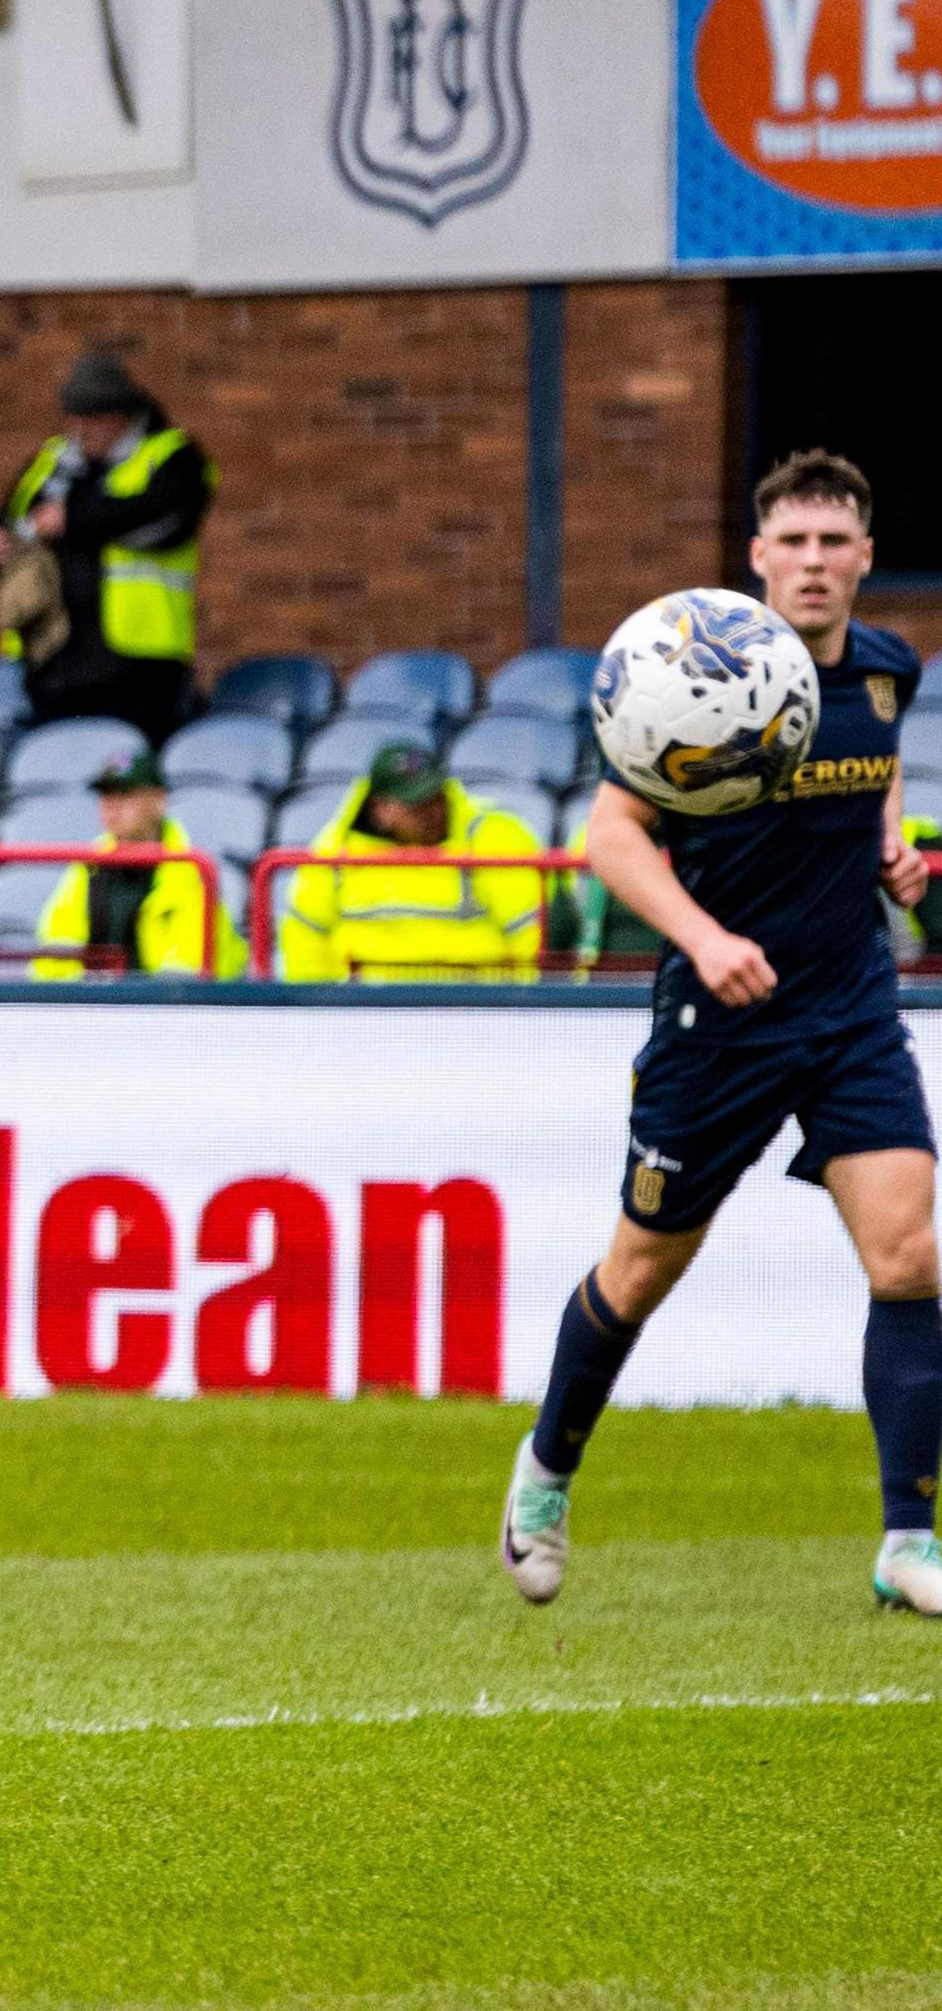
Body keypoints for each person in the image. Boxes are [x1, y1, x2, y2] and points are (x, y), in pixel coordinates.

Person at [506, 450, 942, 1616]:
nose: (813, 562)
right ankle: (546, 1468)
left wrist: (894, 853)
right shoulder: (696, 674)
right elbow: (611, 839)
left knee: (909, 1254)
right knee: (643, 1266)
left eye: (834, 542)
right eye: (791, 542)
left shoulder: (891, 670)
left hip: (850, 1005)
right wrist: (703, 937)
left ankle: (909, 1537)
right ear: (756, 557)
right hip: (719, 1023)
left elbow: (874, 784)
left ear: (863, 555)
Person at [0, 352, 213, 736]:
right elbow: (6, 519)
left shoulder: (171, 456)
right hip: (53, 670)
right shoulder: (50, 463)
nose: (82, 429)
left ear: (123, 415)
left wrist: (74, 519)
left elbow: (163, 521)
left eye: (94, 417)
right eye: (75, 416)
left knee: (127, 791)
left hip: (140, 675)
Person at [273, 744, 546, 983]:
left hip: (472, 1011)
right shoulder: (334, 849)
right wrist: (320, 1007)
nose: (433, 811)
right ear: (380, 810)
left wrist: (519, 1008)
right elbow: (304, 934)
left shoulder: (495, 835)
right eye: (416, 805)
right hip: (366, 1013)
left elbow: (531, 937)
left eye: (436, 797)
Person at [30, 749, 243, 979]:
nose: (111, 805)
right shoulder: (89, 865)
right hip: (94, 1006)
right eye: (105, 794)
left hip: (161, 1010)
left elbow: (186, 976)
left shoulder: (191, 871)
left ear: (159, 801)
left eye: (125, 793)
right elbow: (56, 950)